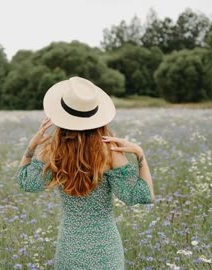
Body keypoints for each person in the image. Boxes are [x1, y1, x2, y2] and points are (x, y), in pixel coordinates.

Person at [17, 76, 155, 269]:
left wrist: (31, 147)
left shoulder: (52, 151)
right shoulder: (109, 152)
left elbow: (27, 183)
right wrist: (140, 154)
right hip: (106, 249)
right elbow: (142, 195)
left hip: (69, 247)